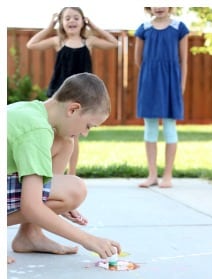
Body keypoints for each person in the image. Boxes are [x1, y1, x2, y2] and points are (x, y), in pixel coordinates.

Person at [7, 73, 121, 264]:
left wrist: (52, 198)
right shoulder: (37, 130)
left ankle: (31, 234)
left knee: (65, 142)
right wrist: (88, 239)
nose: (84, 133)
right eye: (88, 126)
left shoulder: (32, 110)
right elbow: (31, 206)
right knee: (74, 190)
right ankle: (34, 228)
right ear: (73, 109)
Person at [26, 7, 118, 176]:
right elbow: (31, 44)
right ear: (61, 22)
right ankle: (50, 169)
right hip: (61, 94)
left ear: (83, 21)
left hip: (82, 94)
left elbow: (114, 42)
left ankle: (72, 174)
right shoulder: (58, 41)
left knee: (72, 137)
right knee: (53, 133)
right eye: (67, 18)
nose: (72, 21)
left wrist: (95, 27)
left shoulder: (88, 42)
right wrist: (48, 28)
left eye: (76, 17)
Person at [135, 7, 189, 188]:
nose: (159, 7)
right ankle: (152, 175)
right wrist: (150, 75)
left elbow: (184, 60)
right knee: (149, 127)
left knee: (169, 127)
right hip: (149, 81)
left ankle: (167, 175)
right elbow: (138, 59)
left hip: (171, 82)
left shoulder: (179, 27)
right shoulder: (143, 28)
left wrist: (181, 84)